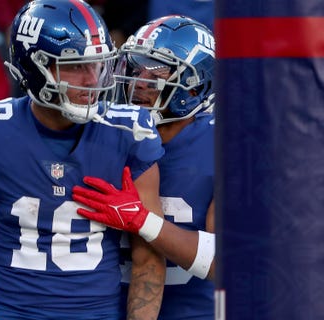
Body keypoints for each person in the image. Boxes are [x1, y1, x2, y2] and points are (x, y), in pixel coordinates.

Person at [0, 1, 166, 319]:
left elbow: (148, 258)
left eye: (97, 64)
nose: (92, 80)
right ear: (33, 66)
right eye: (76, 65)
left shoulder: (128, 132)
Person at [72, 15, 217, 319]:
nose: (137, 83)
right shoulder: (105, 131)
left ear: (193, 88)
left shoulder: (221, 146)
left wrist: (144, 222)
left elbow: (228, 261)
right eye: (134, 68)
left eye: (154, 73)